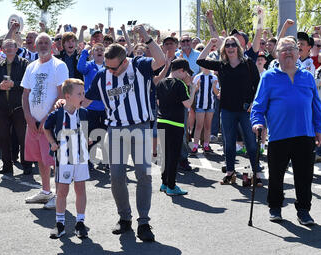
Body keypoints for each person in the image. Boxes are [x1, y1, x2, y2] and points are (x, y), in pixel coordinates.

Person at [83, 25, 166, 242]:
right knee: (116, 176)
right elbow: (85, 99)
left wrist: (147, 37)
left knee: (143, 176)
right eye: (107, 68)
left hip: (140, 127)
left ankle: (144, 222)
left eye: (114, 68)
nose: (110, 71)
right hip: (115, 129)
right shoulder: (102, 77)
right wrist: (65, 102)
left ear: (124, 60)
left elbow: (161, 60)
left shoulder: (140, 66)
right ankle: (125, 218)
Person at [251, 36, 321, 225]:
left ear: (298, 52)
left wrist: (320, 129)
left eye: (292, 48)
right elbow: (258, 106)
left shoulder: (307, 77)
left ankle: (303, 210)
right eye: (284, 50)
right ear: (277, 54)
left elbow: (316, 106)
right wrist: (257, 123)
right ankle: (275, 208)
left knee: (304, 176)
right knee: (276, 175)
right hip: (279, 135)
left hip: (305, 134)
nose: (288, 52)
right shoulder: (269, 77)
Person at [197, 37, 261, 186]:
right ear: (224, 49)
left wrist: (253, 103)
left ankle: (257, 174)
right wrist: (210, 44)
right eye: (227, 45)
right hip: (227, 110)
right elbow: (200, 61)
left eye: (233, 45)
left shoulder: (248, 63)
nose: (230, 47)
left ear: (238, 47)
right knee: (229, 143)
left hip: (246, 110)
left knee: (251, 143)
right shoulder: (222, 65)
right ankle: (230, 173)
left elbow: (258, 85)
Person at [21, 33, 69, 209]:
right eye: (39, 42)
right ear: (35, 45)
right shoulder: (31, 67)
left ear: (52, 45)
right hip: (33, 122)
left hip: (51, 123)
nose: (42, 45)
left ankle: (59, 196)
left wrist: (47, 118)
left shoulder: (59, 66)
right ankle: (46, 191)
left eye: (46, 42)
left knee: (55, 159)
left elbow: (62, 94)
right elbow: (25, 94)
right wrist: (28, 117)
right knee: (40, 158)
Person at [44, 79, 90, 239]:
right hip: (63, 158)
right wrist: (52, 143)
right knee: (62, 191)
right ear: (68, 96)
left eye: (83, 93)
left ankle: (80, 222)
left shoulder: (83, 113)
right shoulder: (57, 114)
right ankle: (60, 224)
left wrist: (88, 140)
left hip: (81, 157)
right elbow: (46, 127)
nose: (82, 96)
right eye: (79, 94)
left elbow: (86, 132)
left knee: (80, 189)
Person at [0, 39, 31, 175]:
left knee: (22, 137)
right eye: (5, 47)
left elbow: (29, 83)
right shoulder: (0, 65)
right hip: (2, 108)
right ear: (2, 49)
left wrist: (14, 84)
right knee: (3, 137)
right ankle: (7, 165)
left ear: (16, 48)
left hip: (19, 107)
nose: (8, 49)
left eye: (11, 47)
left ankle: (26, 165)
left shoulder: (24, 63)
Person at [156, 59, 196, 196]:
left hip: (161, 121)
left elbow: (158, 102)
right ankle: (171, 186)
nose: (187, 76)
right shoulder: (180, 84)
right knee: (173, 156)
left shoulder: (161, 82)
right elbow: (188, 104)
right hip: (175, 124)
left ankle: (164, 183)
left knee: (164, 155)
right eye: (186, 73)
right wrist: (193, 89)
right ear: (181, 71)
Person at [76, 42, 108, 170]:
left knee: (105, 134)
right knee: (89, 134)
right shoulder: (89, 66)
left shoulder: (109, 66)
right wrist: (85, 51)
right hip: (91, 107)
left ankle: (105, 160)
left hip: (106, 107)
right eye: (96, 50)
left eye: (101, 50)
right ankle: (87, 158)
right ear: (93, 53)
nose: (99, 51)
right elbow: (80, 68)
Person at [191, 66, 220, 155]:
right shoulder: (197, 77)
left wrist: (214, 86)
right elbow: (193, 91)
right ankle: (195, 146)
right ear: (201, 67)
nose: (206, 67)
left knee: (208, 126)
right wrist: (197, 86)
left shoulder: (214, 77)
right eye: (203, 66)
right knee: (199, 126)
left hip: (210, 105)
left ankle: (206, 145)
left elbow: (217, 93)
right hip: (200, 104)